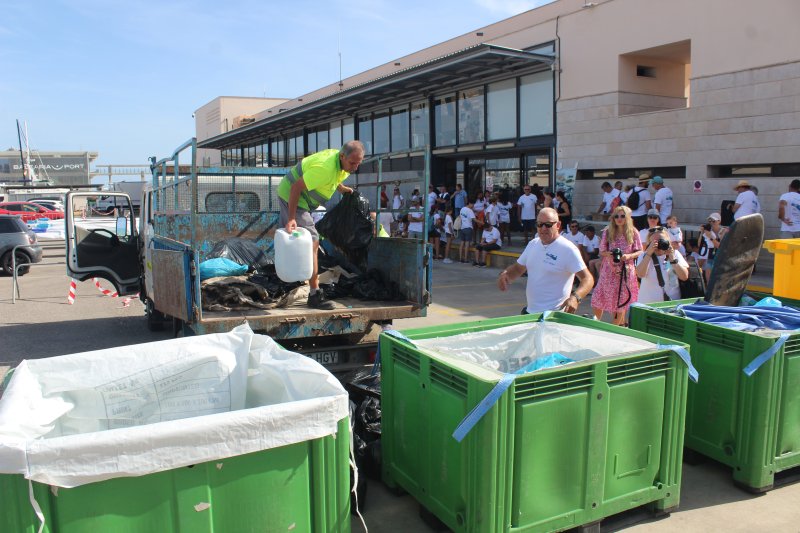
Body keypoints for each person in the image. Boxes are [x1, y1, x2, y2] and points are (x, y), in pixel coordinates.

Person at [280, 140, 364, 309]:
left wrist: (341, 189)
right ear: (342, 156)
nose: (355, 167)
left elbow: (335, 177)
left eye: (358, 163)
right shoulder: (325, 169)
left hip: (304, 200)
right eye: (352, 163)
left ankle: (296, 279)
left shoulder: (341, 163)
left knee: (306, 242)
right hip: (292, 196)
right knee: (313, 241)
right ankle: (314, 294)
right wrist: (291, 218)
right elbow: (296, 188)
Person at [497, 208, 592, 314]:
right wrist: (506, 274)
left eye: (548, 224)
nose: (543, 228)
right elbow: (518, 268)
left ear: (558, 225)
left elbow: (587, 279)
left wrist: (575, 298)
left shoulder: (568, 249)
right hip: (530, 312)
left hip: (554, 316)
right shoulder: (533, 244)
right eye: (539, 224)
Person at [591, 205, 643, 325]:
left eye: (622, 216)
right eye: (616, 216)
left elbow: (640, 250)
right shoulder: (608, 231)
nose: (619, 219)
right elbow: (602, 250)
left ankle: (616, 326)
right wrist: (609, 254)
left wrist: (628, 256)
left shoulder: (633, 232)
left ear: (627, 218)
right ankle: (596, 323)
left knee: (621, 299)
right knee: (598, 296)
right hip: (609, 269)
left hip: (626, 269)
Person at [635, 227, 689, 303]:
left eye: (661, 240)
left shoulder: (675, 254)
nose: (659, 244)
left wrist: (672, 259)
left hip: (671, 302)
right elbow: (640, 274)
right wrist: (648, 254)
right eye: (655, 242)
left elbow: (684, 277)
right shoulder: (644, 256)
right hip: (648, 303)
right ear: (649, 243)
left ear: (668, 241)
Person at [698, 212, 728, 283]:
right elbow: (699, 244)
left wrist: (711, 237)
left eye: (713, 221)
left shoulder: (723, 231)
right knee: (708, 276)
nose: (711, 223)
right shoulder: (708, 231)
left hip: (721, 255)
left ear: (719, 221)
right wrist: (702, 233)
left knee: (718, 279)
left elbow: (720, 246)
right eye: (710, 221)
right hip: (711, 254)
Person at [458, 199, 476, 263]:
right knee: (467, 244)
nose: (473, 205)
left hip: (462, 228)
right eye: (473, 204)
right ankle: (465, 259)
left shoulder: (462, 209)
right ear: (470, 203)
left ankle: (460, 258)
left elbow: (460, 217)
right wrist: (481, 222)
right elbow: (474, 219)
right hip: (468, 228)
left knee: (462, 243)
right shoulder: (470, 210)